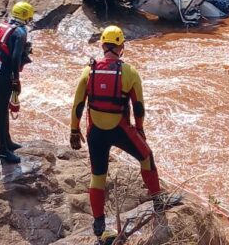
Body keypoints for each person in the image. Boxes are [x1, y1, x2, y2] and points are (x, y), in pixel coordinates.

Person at [69, 26, 164, 243]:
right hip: (121, 129)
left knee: (98, 176)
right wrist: (139, 130)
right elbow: (138, 107)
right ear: (121, 47)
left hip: (95, 133)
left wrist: (74, 130)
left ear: (102, 45)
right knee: (146, 157)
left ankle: (99, 222)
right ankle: (158, 201)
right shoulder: (129, 72)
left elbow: (77, 105)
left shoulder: (88, 71)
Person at [0, 1, 34, 164]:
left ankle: (7, 141)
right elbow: (14, 58)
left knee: (4, 108)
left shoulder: (2, 26)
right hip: (3, 73)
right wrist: (16, 80)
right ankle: (3, 151)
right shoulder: (20, 32)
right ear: (26, 16)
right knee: (1, 111)